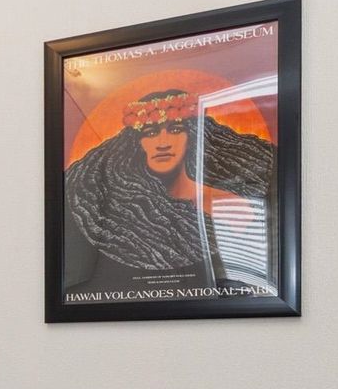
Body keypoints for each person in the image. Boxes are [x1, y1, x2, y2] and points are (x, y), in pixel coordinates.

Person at [61, 88, 277, 302]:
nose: (163, 143)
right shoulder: (127, 213)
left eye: (175, 129)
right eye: (150, 133)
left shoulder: (230, 203)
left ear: (192, 136)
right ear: (136, 143)